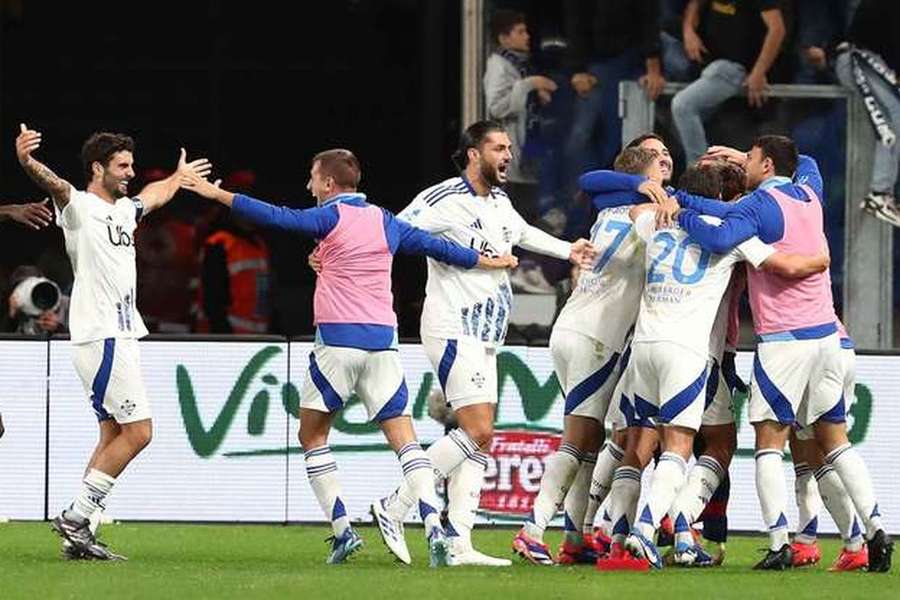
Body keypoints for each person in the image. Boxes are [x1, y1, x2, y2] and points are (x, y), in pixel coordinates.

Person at [180, 148, 517, 566]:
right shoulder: (386, 221)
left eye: (311, 178)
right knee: (406, 441)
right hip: (383, 343)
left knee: (313, 436)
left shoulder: (328, 217)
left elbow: (276, 216)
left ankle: (342, 530)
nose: (307, 185)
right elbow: (440, 247)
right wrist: (489, 261)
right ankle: (432, 525)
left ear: (327, 184)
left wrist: (215, 194)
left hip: (337, 343)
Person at [660, 136, 893, 572]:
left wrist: (680, 204)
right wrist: (735, 156)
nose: (743, 163)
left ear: (765, 165)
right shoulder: (809, 193)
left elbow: (725, 228)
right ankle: (875, 528)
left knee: (770, 443)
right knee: (834, 442)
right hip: (830, 337)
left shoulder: (759, 207)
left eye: (749, 157)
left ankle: (781, 541)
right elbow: (805, 161)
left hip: (785, 341)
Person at [372, 120, 596, 567]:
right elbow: (391, 232)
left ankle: (458, 542)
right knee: (478, 432)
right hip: (453, 325)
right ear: (473, 154)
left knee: (479, 440)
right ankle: (395, 505)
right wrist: (455, 253)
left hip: (487, 333)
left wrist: (568, 250)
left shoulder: (498, 200)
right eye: (498, 148)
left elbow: (524, 234)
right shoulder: (442, 198)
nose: (508, 155)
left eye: (509, 147)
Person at [15, 123, 212, 560]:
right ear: (97, 168)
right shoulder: (80, 208)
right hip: (101, 334)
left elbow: (155, 195)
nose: (130, 172)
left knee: (112, 435)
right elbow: (57, 185)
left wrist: (179, 178)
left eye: (131, 164)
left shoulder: (125, 211)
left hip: (118, 334)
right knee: (139, 433)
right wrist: (27, 161)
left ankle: (79, 534)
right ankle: (77, 516)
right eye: (122, 166)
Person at [512, 146, 662, 566]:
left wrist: (639, 183)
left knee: (591, 437)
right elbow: (595, 177)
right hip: (598, 336)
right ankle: (532, 528)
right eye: (658, 160)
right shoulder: (647, 218)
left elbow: (595, 180)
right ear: (642, 177)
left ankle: (574, 538)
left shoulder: (608, 211)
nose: (665, 164)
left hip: (570, 327)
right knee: (577, 438)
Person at [562, 0, 666, 186]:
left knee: (617, 139)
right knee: (580, 137)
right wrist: (577, 68)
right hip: (593, 62)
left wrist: (653, 66)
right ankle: (581, 199)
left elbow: (649, 18)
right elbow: (575, 22)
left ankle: (615, 194)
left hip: (629, 59)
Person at [671, 0, 787, 164]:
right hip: (707, 64)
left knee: (682, 105)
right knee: (678, 120)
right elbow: (695, 3)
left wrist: (758, 72)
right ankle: (709, 168)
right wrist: (688, 30)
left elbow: (777, 29)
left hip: (735, 68)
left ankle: (700, 170)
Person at [484, 9, 557, 223]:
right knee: (517, 210)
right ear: (504, 38)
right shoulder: (498, 66)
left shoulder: (519, 63)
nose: (527, 36)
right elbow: (496, 107)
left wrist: (536, 94)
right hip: (513, 149)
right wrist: (530, 84)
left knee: (530, 203)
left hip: (529, 146)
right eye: (520, 32)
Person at [831, 0, 900, 226]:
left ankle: (881, 193)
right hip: (859, 57)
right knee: (892, 118)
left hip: (870, 58)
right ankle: (879, 193)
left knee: (895, 116)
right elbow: (878, 36)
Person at [196, 216, 271, 334]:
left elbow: (265, 292)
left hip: (258, 336)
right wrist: (224, 334)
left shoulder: (258, 244)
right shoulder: (220, 243)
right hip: (226, 336)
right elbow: (212, 295)